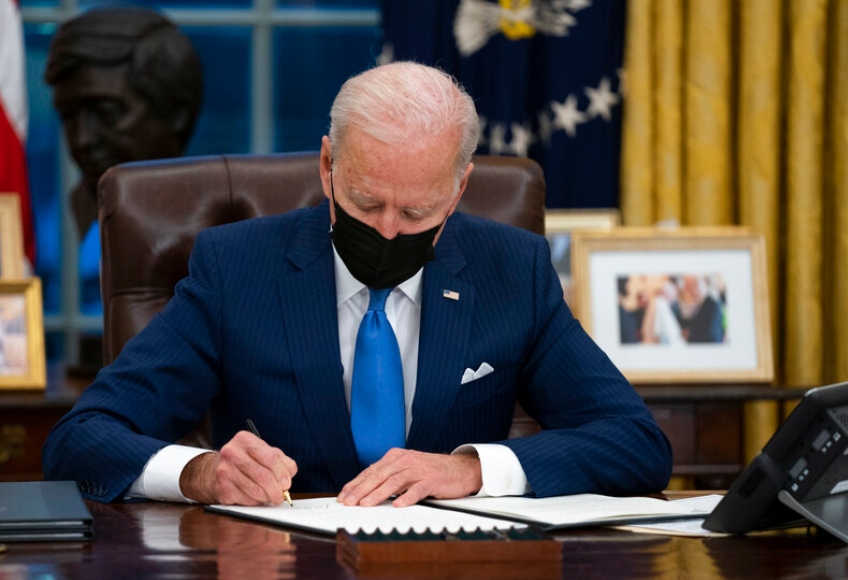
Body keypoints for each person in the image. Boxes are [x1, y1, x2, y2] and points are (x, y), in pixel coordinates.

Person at [43, 62, 672, 507]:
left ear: (458, 189)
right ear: (327, 167)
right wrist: (199, 472)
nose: (391, 232)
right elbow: (81, 440)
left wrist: (474, 468)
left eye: (418, 213)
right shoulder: (237, 269)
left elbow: (636, 444)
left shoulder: (513, 271)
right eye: (368, 204)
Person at [44, 7, 203, 240]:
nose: (81, 139)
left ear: (176, 113)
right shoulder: (73, 209)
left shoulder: (217, 219)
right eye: (68, 116)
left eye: (107, 112)